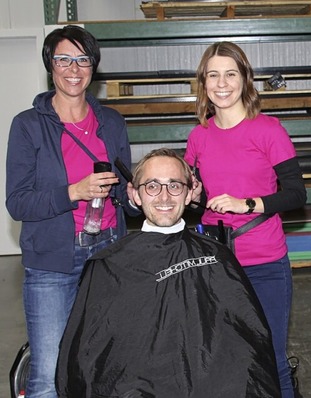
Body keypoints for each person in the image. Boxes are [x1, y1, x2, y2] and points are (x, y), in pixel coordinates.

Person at [55, 148, 281, 398]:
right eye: (152, 186)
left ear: (188, 193)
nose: (164, 197)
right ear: (135, 194)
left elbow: (250, 344)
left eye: (174, 186)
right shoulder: (109, 266)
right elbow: (88, 363)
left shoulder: (217, 255)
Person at [5, 25, 138, 398]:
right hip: (53, 263)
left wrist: (138, 195)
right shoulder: (28, 126)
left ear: (93, 66)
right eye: (64, 59)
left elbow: (123, 190)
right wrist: (73, 192)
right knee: (49, 373)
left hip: (110, 254)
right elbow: (17, 203)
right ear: (51, 65)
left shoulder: (111, 122)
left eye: (82, 59)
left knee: (108, 364)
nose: (73, 68)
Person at [184, 41, 306, 398]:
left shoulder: (268, 130)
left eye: (230, 74)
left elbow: (296, 193)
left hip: (265, 261)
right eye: (213, 75)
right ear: (203, 83)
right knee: (222, 356)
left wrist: (247, 204)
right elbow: (199, 203)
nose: (222, 83)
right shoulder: (198, 136)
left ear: (245, 79)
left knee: (271, 357)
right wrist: (190, 199)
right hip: (215, 263)